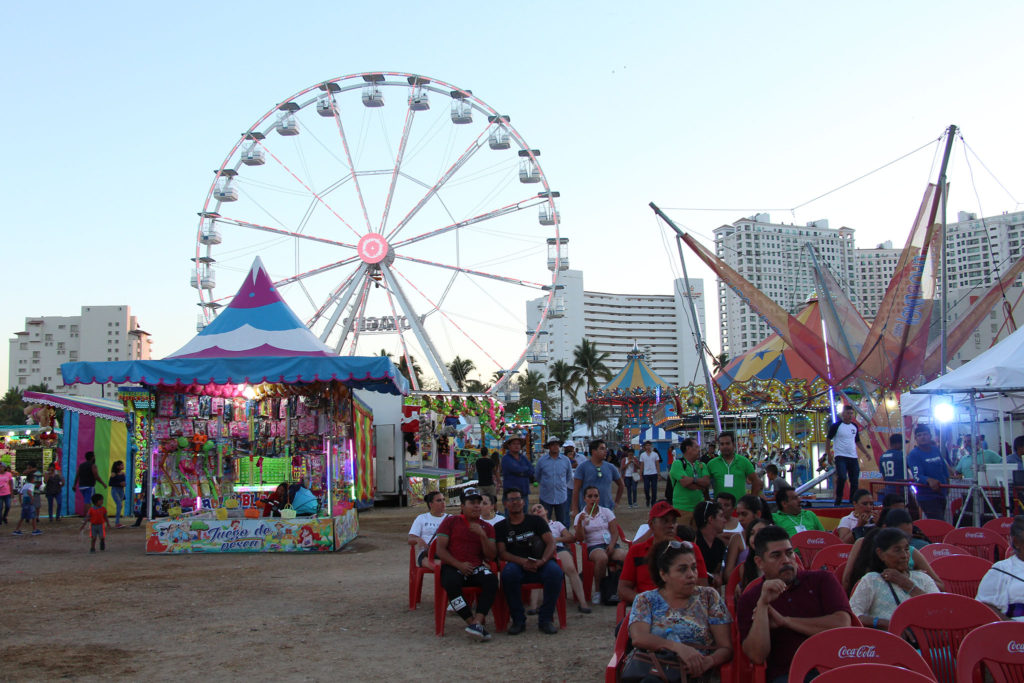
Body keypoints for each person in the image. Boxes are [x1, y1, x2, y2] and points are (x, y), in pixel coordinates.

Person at [738, 525, 852, 683]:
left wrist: (785, 621)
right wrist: (763, 604)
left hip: (833, 668)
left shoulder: (822, 580)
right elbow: (757, 656)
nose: (786, 560)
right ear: (759, 562)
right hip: (788, 675)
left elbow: (843, 625)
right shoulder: (750, 598)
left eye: (789, 553)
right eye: (776, 555)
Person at [628, 540, 733, 680]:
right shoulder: (646, 600)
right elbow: (639, 638)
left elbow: (725, 648)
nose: (691, 574)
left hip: (696, 672)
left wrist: (708, 662)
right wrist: (678, 647)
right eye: (682, 569)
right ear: (663, 574)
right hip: (656, 669)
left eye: (693, 568)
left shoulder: (709, 597)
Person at [495, 488, 564, 634]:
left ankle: (545, 619)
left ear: (523, 502)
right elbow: (502, 553)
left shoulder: (536, 521)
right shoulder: (500, 527)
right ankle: (518, 620)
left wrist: (543, 560)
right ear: (505, 504)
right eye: (511, 500)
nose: (516, 503)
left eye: (518, 499)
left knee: (555, 572)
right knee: (508, 575)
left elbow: (551, 543)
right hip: (517, 564)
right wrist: (523, 561)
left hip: (541, 561)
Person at [434, 487, 498, 641]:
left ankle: (477, 621)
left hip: (476, 567)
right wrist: (459, 564)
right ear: (462, 506)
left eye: (479, 503)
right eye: (472, 502)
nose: (477, 506)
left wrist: (482, 536)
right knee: (451, 583)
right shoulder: (450, 522)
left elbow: (491, 556)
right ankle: (471, 622)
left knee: (491, 580)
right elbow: (440, 551)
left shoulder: (487, 528)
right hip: (453, 566)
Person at [849, 527, 940, 630]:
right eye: (897, 550)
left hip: (924, 641)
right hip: (886, 641)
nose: (904, 555)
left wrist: (907, 584)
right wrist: (886, 623)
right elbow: (852, 615)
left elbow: (939, 611)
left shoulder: (923, 578)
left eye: (906, 549)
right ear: (881, 554)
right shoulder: (872, 580)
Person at [619, 502, 709, 605]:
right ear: (651, 525)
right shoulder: (636, 551)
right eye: (665, 521)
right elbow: (623, 589)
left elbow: (702, 586)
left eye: (674, 521)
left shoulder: (689, 550)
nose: (670, 525)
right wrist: (646, 602)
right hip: (647, 608)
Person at [842, 508, 943, 594]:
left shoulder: (912, 552)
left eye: (908, 537)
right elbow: (847, 580)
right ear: (880, 554)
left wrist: (912, 576)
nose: (904, 555)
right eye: (899, 535)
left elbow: (940, 586)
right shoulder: (863, 544)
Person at [530, 503, 589, 613]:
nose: (537, 509)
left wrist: (555, 540)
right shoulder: (533, 527)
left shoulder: (556, 524)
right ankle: (533, 607)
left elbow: (571, 538)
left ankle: (583, 603)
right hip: (541, 552)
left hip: (558, 549)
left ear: (546, 511)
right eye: (534, 510)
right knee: (536, 571)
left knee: (571, 569)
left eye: (539, 507)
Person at [574, 485, 627, 605]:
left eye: (596, 496)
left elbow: (614, 531)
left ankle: (616, 588)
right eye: (590, 496)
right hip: (594, 545)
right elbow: (580, 538)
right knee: (602, 558)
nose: (593, 499)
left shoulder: (606, 512)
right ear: (585, 499)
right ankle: (598, 590)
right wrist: (580, 523)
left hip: (609, 543)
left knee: (624, 555)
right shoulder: (580, 516)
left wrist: (612, 545)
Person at [977, 515, 1024, 621]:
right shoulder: (1002, 570)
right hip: (1014, 631)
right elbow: (985, 607)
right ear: (1017, 542)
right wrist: (1011, 626)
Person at [826, 405, 872, 506]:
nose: (850, 415)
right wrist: (829, 455)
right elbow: (828, 439)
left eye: (852, 413)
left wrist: (866, 453)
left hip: (853, 457)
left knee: (854, 479)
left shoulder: (854, 427)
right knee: (842, 477)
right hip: (840, 456)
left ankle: (853, 501)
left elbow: (858, 441)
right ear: (843, 414)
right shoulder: (836, 426)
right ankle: (839, 498)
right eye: (848, 413)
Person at [906, 424, 951, 520]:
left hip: (941, 493)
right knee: (938, 522)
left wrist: (948, 482)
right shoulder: (914, 454)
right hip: (926, 496)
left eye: (925, 434)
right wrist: (928, 480)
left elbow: (943, 467)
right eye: (919, 435)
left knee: (940, 520)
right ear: (916, 438)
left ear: (930, 436)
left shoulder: (936, 450)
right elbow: (917, 476)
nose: (922, 437)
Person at [570, 439, 624, 517]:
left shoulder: (611, 467)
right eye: (602, 448)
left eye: (605, 449)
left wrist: (616, 502)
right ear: (593, 451)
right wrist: (575, 509)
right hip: (587, 510)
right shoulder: (582, 468)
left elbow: (621, 485)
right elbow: (576, 490)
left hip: (607, 510)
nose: (605, 451)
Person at [707, 431, 761, 502]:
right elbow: (705, 484)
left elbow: (757, 482)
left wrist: (751, 501)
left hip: (739, 509)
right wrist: (707, 498)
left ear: (734, 445)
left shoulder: (744, 462)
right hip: (719, 509)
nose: (725, 446)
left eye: (727, 443)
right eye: (722, 444)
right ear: (719, 447)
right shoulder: (712, 464)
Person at [668, 437, 710, 527]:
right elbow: (685, 483)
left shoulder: (702, 465)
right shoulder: (678, 464)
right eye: (697, 447)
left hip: (699, 509)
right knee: (682, 537)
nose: (699, 450)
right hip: (682, 509)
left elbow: (706, 482)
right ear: (688, 448)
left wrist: (692, 480)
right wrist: (699, 484)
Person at [535, 437, 573, 525]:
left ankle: (563, 538)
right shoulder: (542, 461)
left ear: (559, 446)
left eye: (557, 444)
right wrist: (546, 484)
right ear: (548, 447)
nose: (555, 447)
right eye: (552, 445)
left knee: (562, 522)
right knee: (544, 521)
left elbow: (568, 476)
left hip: (561, 497)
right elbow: (537, 476)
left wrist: (561, 485)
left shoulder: (566, 460)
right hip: (546, 496)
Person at [407, 490, 449, 566]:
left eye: (444, 500)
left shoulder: (451, 518)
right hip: (427, 554)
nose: (443, 503)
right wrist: (418, 539)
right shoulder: (422, 518)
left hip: (447, 553)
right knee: (440, 566)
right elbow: (410, 539)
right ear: (431, 504)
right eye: (439, 500)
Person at [694, 501, 728, 588]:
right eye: (721, 516)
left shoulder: (719, 544)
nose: (725, 520)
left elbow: (717, 572)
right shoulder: (693, 541)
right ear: (711, 519)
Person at [500, 436, 534, 507]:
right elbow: (515, 469)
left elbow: (531, 471)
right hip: (510, 495)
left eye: (518, 444)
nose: (517, 446)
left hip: (524, 493)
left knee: (524, 517)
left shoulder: (524, 458)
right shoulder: (506, 459)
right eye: (514, 444)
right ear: (509, 446)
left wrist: (520, 471)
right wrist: (525, 470)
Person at [638, 441, 662, 507]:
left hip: (654, 473)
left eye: (649, 445)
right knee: (646, 488)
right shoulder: (642, 455)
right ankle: (648, 499)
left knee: (654, 488)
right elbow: (641, 465)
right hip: (646, 474)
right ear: (645, 447)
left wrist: (659, 474)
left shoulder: (655, 454)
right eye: (647, 445)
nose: (648, 447)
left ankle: (653, 501)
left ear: (651, 446)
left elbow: (657, 464)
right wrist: (640, 474)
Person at [109, 460, 127, 527]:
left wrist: (124, 484)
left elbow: (124, 483)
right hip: (115, 490)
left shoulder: (123, 474)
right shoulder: (113, 474)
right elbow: (110, 483)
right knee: (119, 504)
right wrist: (120, 483)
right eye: (121, 465)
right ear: (118, 466)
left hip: (121, 490)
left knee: (120, 505)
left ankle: (117, 521)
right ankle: (117, 522)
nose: (123, 466)